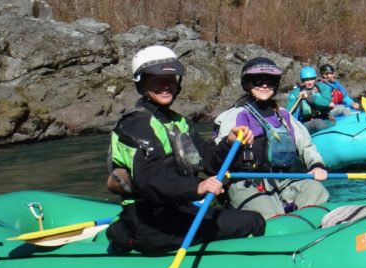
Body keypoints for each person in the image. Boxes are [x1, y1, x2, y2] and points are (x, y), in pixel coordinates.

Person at [105, 45, 264, 254]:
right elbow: (150, 178)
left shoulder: (180, 122)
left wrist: (229, 142)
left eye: (170, 80)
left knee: (248, 217)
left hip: (177, 212)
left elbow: (210, 161)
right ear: (141, 83)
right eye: (157, 80)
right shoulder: (136, 124)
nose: (165, 86)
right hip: (150, 224)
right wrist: (198, 187)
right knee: (253, 221)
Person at [212, 57, 330, 220]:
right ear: (247, 84)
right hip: (247, 183)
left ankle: (306, 227)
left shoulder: (283, 115)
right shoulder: (235, 115)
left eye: (271, 80)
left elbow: (306, 146)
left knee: (317, 191)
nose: (265, 85)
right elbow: (218, 156)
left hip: (283, 179)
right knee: (272, 215)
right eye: (258, 81)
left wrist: (316, 165)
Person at [289, 66, 348, 133]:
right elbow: (291, 113)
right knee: (317, 123)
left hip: (325, 119)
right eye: (306, 80)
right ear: (302, 80)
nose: (310, 82)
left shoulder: (323, 87)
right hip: (307, 123)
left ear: (315, 79)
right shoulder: (295, 93)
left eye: (312, 79)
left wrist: (308, 96)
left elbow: (325, 102)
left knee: (345, 109)